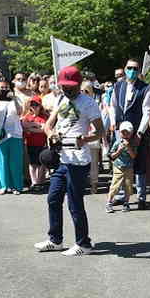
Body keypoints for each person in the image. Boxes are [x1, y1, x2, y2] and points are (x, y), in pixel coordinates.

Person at [36, 66, 104, 256]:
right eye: (64, 87)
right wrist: (52, 135)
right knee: (53, 198)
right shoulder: (61, 99)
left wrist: (85, 139)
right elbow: (48, 125)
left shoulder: (88, 103)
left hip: (78, 160)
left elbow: (100, 131)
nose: (67, 90)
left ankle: (84, 244)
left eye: (71, 87)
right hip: (61, 159)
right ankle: (55, 240)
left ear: (79, 84)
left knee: (75, 203)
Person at [110, 58, 150, 209]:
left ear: (139, 70)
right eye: (129, 68)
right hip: (120, 131)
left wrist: (140, 133)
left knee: (139, 163)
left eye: (135, 68)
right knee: (121, 162)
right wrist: (112, 121)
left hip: (137, 131)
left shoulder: (145, 88)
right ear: (125, 68)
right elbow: (113, 105)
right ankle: (122, 196)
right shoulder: (117, 86)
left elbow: (147, 112)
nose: (132, 71)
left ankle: (141, 197)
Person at [0, 79, 25, 194]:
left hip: (15, 134)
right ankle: (3, 186)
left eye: (6, 87)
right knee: (1, 161)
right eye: (1, 88)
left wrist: (14, 98)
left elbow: (20, 112)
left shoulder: (16, 99)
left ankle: (16, 186)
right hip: (0, 135)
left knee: (15, 162)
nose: (4, 90)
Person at [105, 121, 137, 213]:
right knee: (115, 185)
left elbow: (134, 156)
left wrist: (129, 148)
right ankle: (109, 203)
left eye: (127, 132)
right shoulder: (117, 142)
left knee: (128, 186)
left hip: (129, 167)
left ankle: (126, 203)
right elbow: (112, 156)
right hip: (118, 167)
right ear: (120, 133)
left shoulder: (133, 143)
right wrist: (119, 150)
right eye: (123, 132)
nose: (125, 134)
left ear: (131, 133)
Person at [21, 95, 49, 191]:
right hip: (30, 143)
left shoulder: (44, 116)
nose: (34, 107)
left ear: (40, 106)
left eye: (36, 105)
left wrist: (31, 128)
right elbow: (24, 125)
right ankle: (34, 182)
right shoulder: (27, 116)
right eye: (32, 104)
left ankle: (40, 182)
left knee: (41, 164)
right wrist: (35, 126)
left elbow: (43, 129)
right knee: (33, 164)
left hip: (42, 144)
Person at [81, 80, 102, 193]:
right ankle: (82, 183)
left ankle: (94, 184)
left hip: (92, 138)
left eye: (87, 91)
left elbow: (100, 124)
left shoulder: (96, 105)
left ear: (91, 92)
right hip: (81, 139)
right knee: (82, 162)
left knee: (93, 163)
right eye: (82, 90)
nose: (84, 93)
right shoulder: (77, 104)